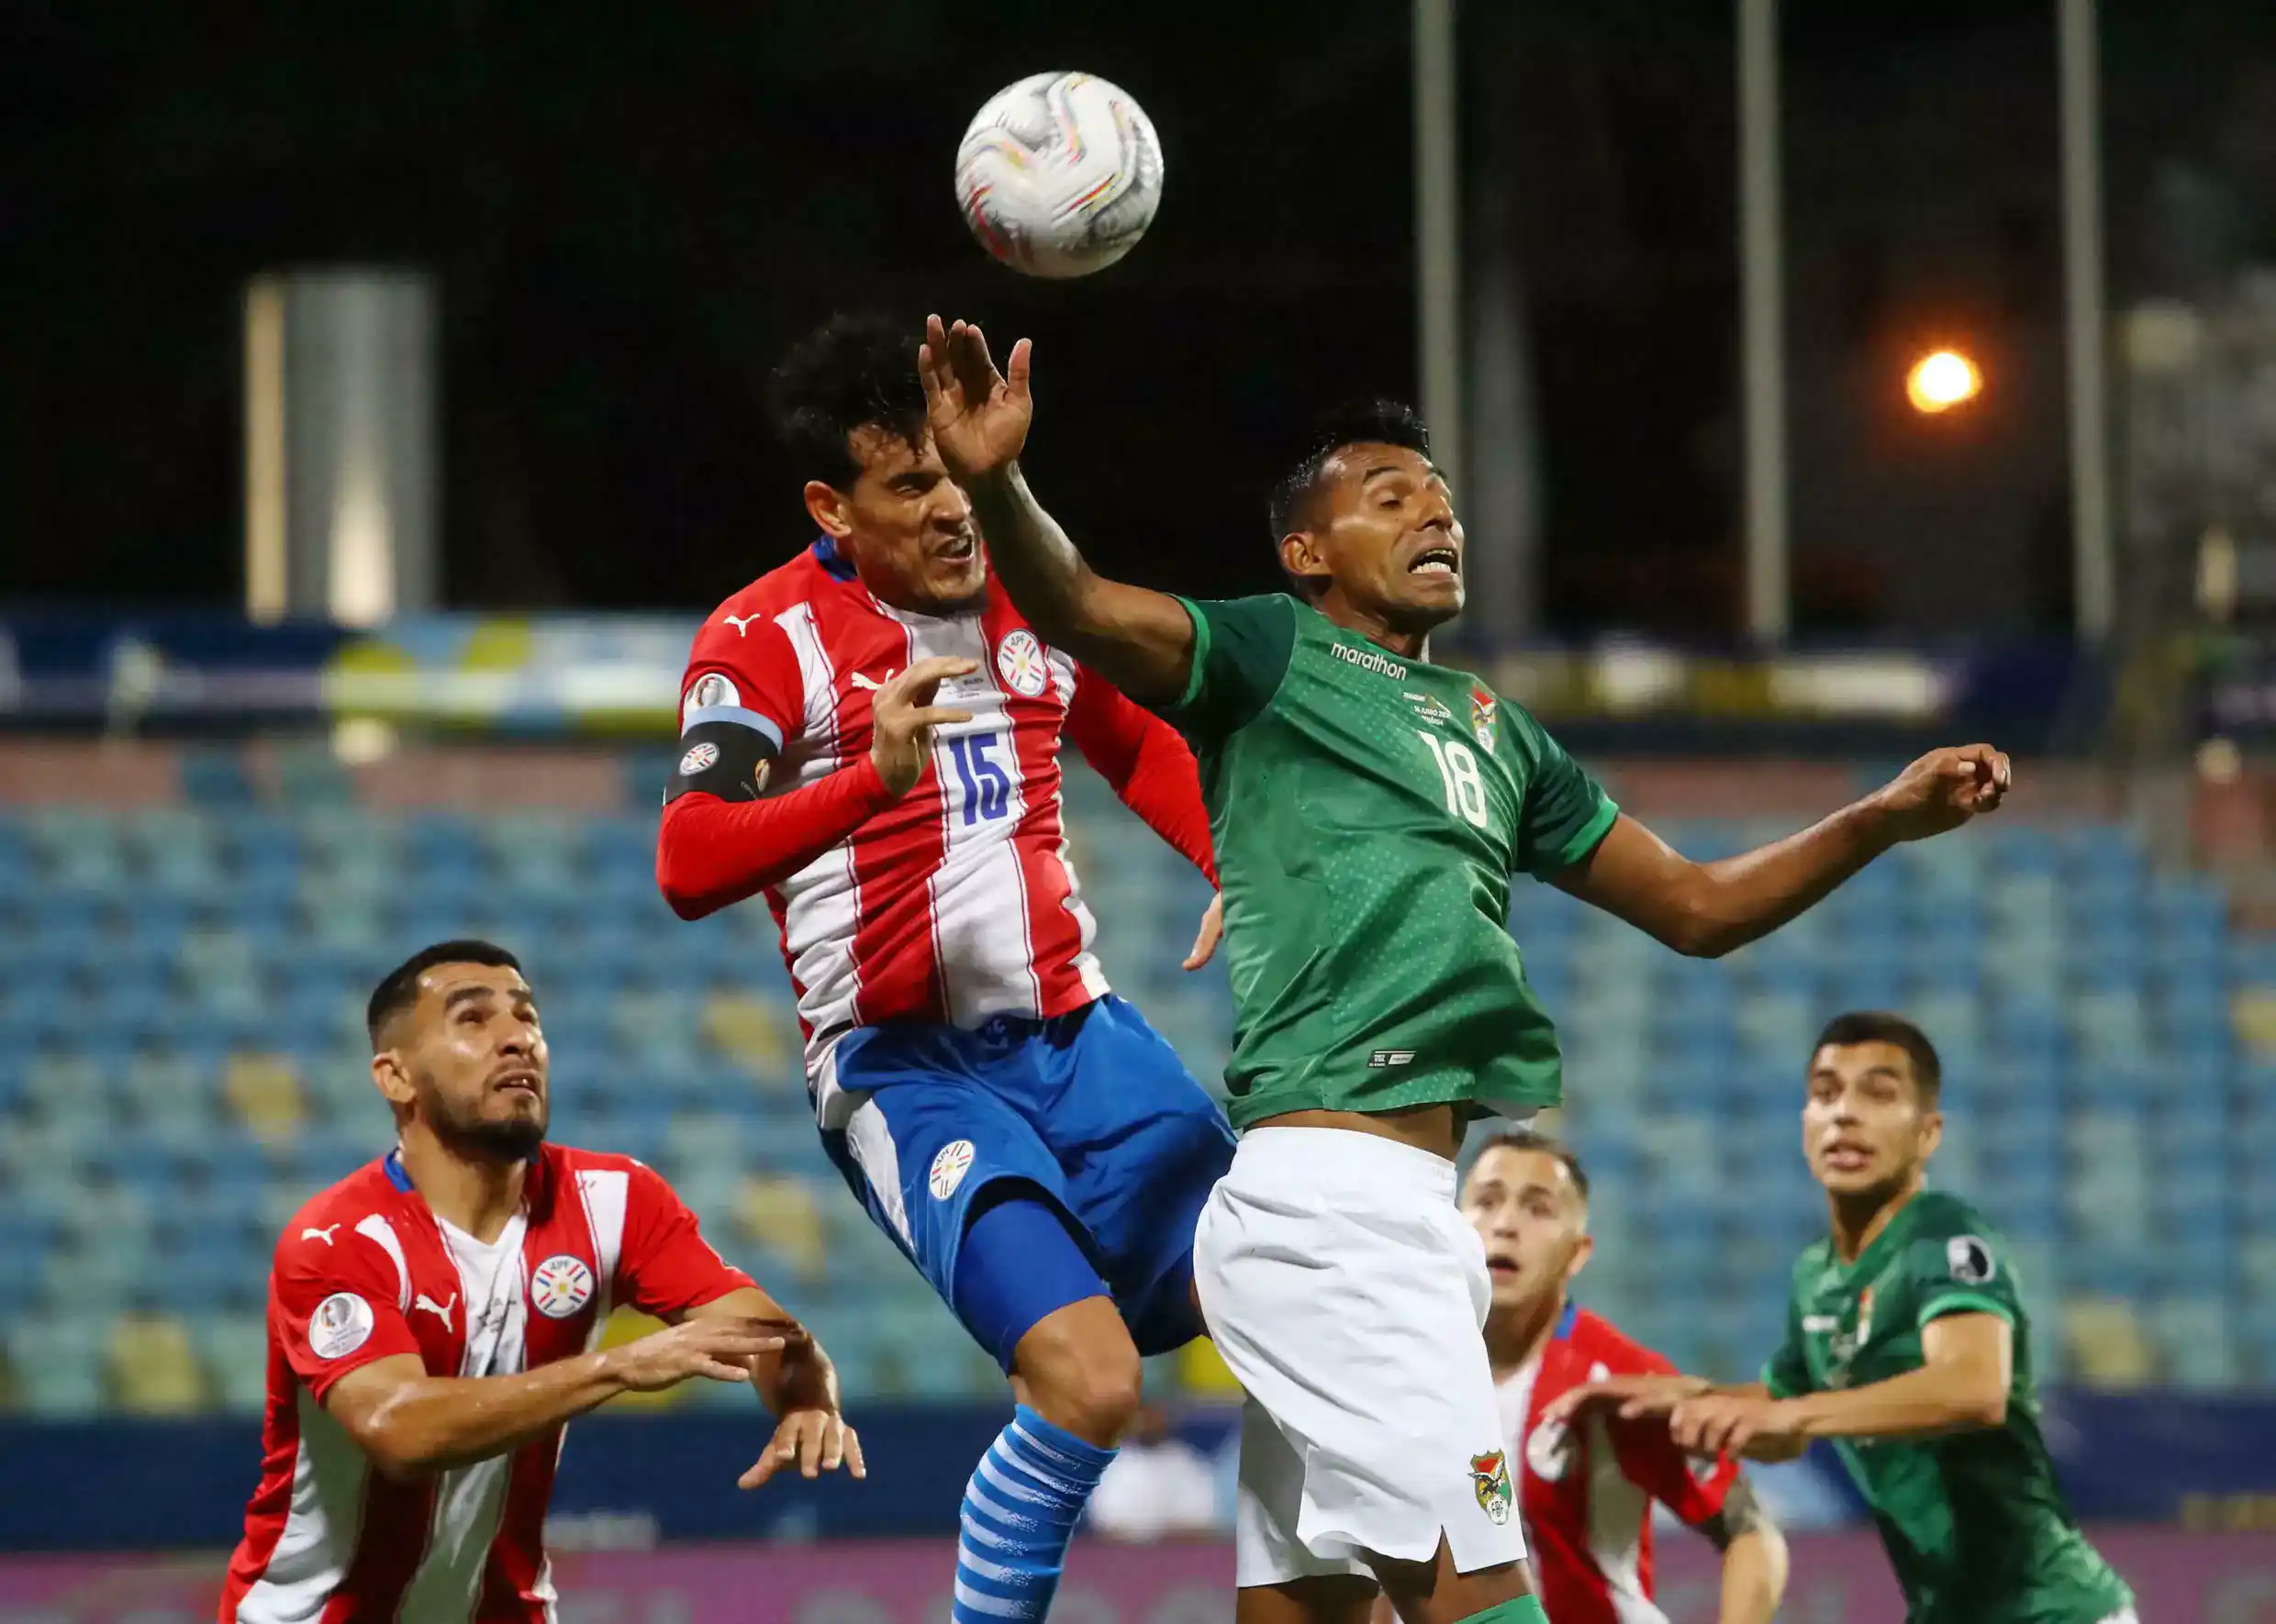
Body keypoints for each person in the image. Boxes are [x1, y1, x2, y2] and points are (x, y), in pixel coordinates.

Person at [914, 313, 2013, 1624]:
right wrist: (995, 480)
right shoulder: (1272, 656)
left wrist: (1880, 816)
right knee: (1490, 1607)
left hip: (1407, 1217)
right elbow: (1080, 606)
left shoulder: (1502, 737)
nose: (1437, 518)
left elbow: (1701, 907)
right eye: (1390, 499)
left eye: (1442, 501)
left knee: (1308, 1612)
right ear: (1306, 551)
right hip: (1328, 1213)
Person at [653, 315, 1236, 1624]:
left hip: (1082, 1038)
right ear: (831, 504)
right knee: (1090, 1384)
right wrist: (867, 780)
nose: (950, 508)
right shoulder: (765, 638)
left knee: (1301, 1302)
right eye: (911, 484)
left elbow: (1135, 737)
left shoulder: (1028, 586)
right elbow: (689, 860)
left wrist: (1228, 862)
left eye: (956, 474)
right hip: (904, 1069)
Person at [218, 940, 856, 1623]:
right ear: (395, 1077)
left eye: (527, 1017)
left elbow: (765, 1335)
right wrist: (614, 1367)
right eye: (473, 1020)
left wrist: (802, 1395)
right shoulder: (340, 1241)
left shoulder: (613, 1201)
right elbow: (396, 1427)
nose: (516, 1039)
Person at [1548, 1013, 2136, 1624]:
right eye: (1826, 1093)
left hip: (2054, 1611)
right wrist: (1678, 1397)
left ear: (1928, 1133)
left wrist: (1790, 1414)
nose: (1844, 1113)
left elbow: (1974, 1387)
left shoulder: (1942, 1236)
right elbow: (1783, 1414)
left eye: (1878, 1094)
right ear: (1804, 1124)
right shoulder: (1816, 1277)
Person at [1369, 1130, 1786, 1624]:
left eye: (1538, 1209)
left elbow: (1751, 1532)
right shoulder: (1401, 1369)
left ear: (1577, 1252)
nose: (1505, 1225)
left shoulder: (1619, 1379)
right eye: (1487, 1201)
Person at [1088, 1401, 1225, 1543]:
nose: (1148, 1424)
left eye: (1154, 1418)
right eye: (1143, 1418)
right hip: (1125, 1556)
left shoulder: (1184, 1461)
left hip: (1178, 1554)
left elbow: (1203, 1521)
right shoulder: (1114, 1465)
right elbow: (1107, 1526)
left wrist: (1161, 1536)